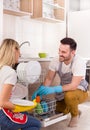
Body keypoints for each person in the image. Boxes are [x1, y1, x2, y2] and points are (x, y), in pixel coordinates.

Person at [32, 37, 88, 127]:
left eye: (64, 52)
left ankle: (75, 116)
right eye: (59, 50)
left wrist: (54, 89)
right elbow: (49, 79)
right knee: (60, 109)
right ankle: (75, 109)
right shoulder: (56, 60)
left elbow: (74, 85)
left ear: (73, 52)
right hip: (64, 89)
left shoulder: (79, 62)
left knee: (70, 95)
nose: (60, 54)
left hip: (79, 90)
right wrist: (41, 91)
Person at [0, 39, 41, 130]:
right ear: (14, 50)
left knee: (25, 115)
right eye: (19, 51)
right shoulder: (10, 73)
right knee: (36, 124)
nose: (20, 55)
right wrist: (22, 107)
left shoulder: (2, 68)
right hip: (2, 116)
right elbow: (3, 102)